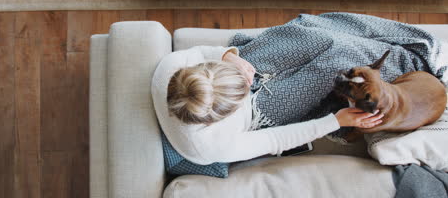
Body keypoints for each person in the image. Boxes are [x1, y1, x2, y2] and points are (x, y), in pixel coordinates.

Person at [151, 46, 384, 165]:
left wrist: (228, 57)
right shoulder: (212, 146)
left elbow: (202, 51)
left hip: (237, 72)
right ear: (222, 116)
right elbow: (276, 140)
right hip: (257, 114)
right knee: (334, 68)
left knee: (318, 39)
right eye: (240, 89)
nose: (247, 82)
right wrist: (336, 121)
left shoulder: (172, 66)